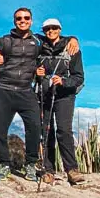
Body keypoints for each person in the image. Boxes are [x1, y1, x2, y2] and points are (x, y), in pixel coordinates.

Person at [0, 8, 45, 181]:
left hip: (26, 91)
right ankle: (4, 164)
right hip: (2, 90)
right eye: (19, 18)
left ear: (31, 21)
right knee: (0, 130)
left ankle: (30, 165)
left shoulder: (38, 43)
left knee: (35, 127)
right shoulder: (3, 41)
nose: (23, 20)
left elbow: (56, 43)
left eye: (26, 18)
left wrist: (73, 39)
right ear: (14, 21)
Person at [35, 17, 86, 185]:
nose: (51, 31)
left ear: (60, 29)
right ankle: (48, 171)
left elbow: (79, 77)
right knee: (46, 132)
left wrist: (64, 82)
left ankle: (71, 170)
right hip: (44, 94)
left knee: (64, 131)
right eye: (47, 29)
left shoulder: (71, 48)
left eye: (54, 28)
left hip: (64, 95)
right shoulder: (38, 46)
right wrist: (38, 73)